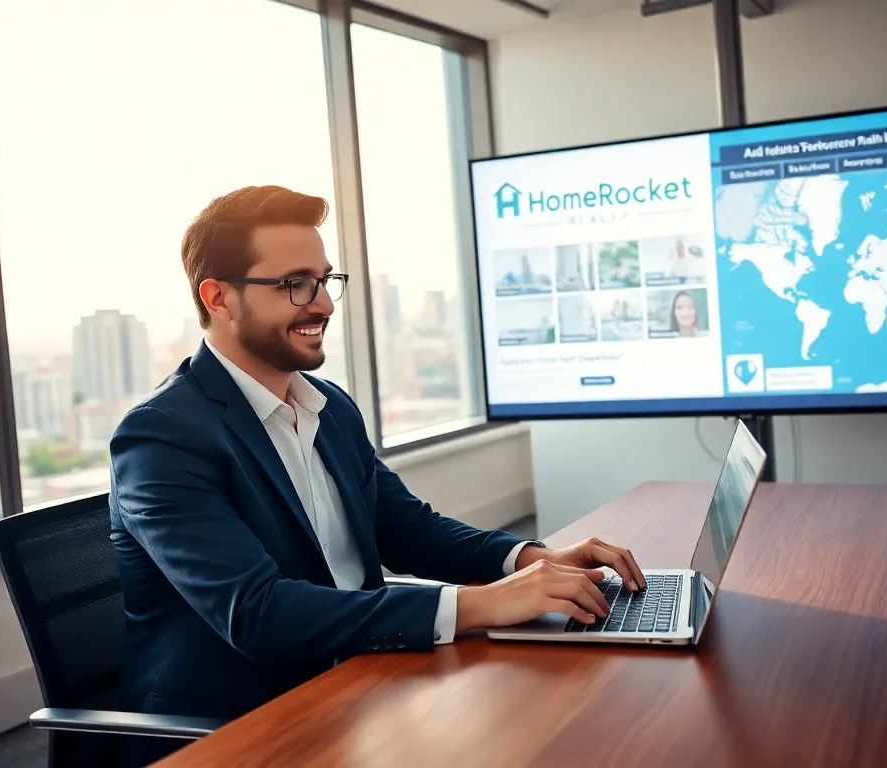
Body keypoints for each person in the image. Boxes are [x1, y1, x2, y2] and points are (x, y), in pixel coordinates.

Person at [109, 185, 646, 766]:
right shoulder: (162, 437)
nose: (323, 306)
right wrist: (482, 605)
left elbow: (407, 529)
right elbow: (258, 613)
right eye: (296, 284)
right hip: (237, 725)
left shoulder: (329, 408)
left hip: (359, 678)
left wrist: (531, 560)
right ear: (217, 297)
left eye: (325, 280)